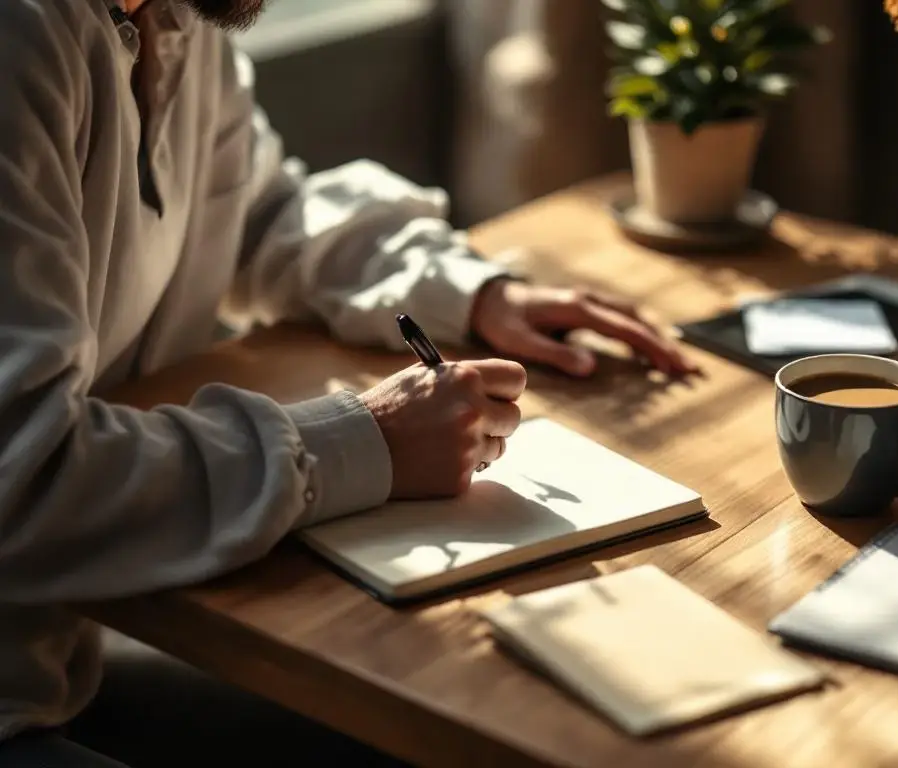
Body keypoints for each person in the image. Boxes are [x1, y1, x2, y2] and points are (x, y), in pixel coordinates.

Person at [0, 0, 695, 765]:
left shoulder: (174, 18)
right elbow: (24, 470)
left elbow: (258, 215)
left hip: (68, 650)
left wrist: (467, 291)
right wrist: (364, 440)